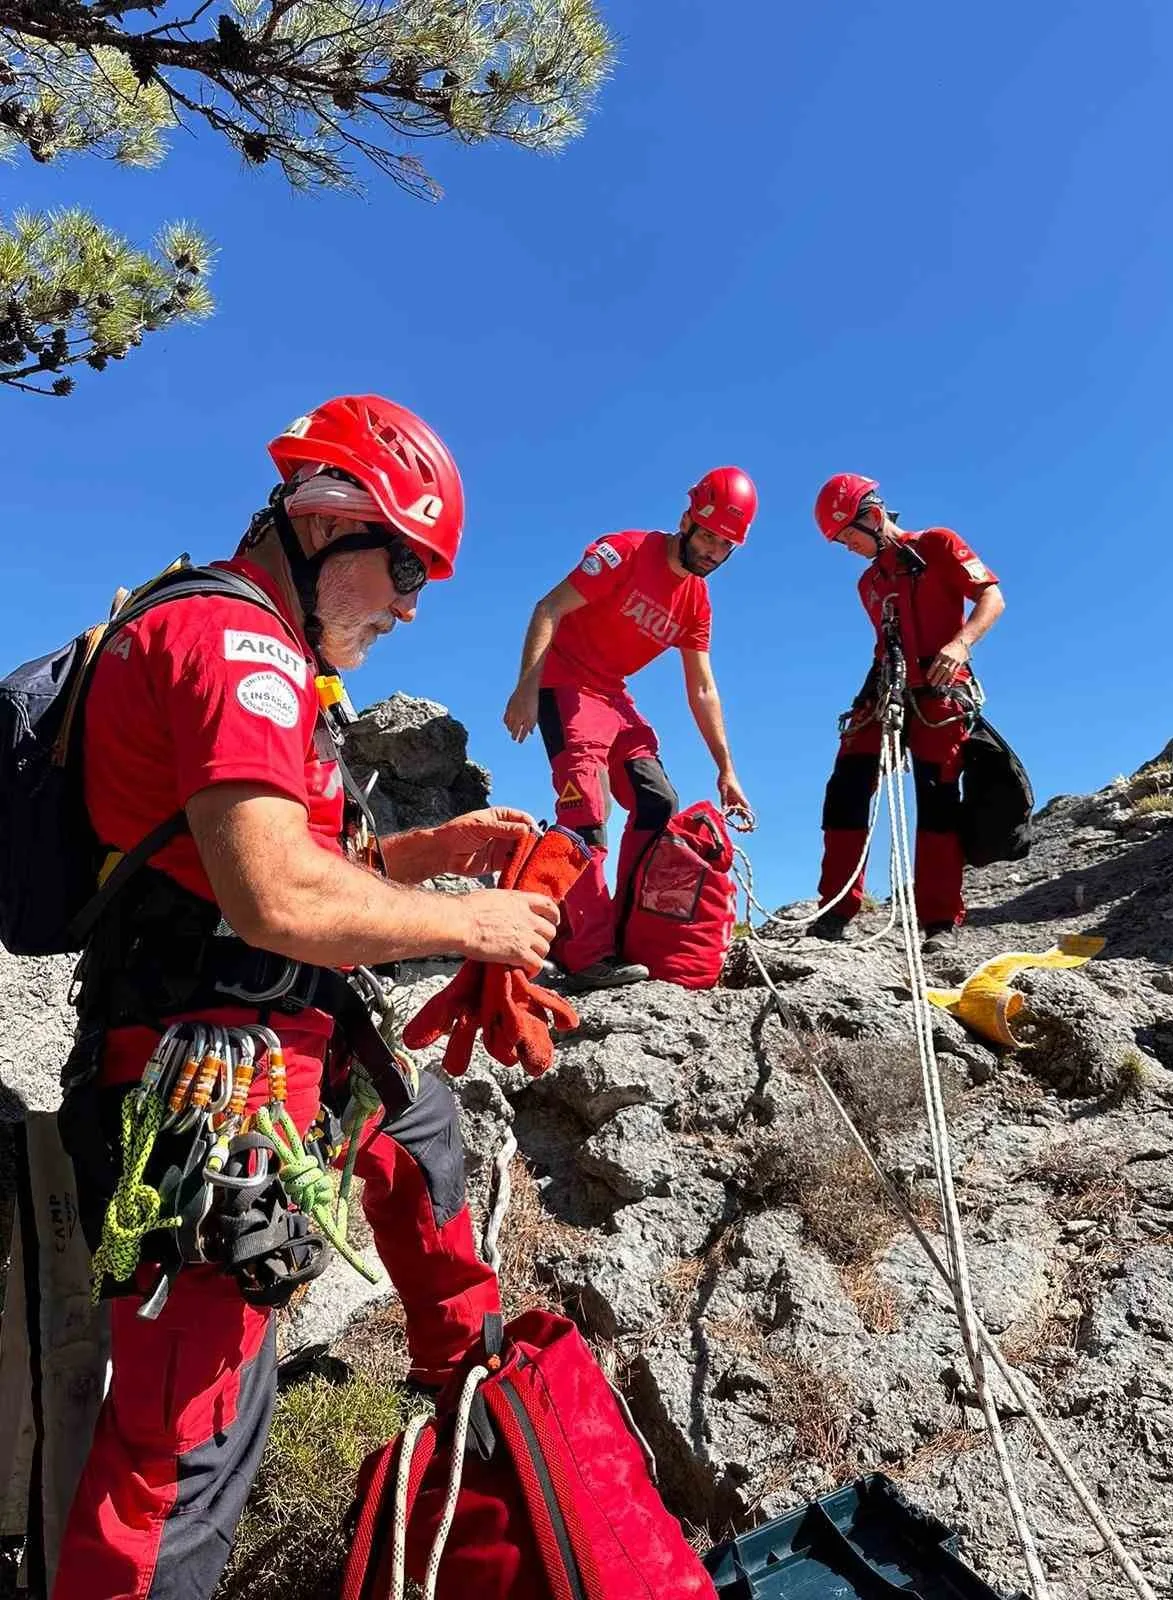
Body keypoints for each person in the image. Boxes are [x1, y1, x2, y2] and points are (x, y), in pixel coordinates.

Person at [53, 395, 561, 1600]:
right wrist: (468, 921)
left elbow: (249, 872)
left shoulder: (261, 656)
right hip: (201, 1084)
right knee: (182, 1447)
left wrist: (416, 859)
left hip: (285, 1044)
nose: (410, 604)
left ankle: (465, 1393)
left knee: (422, 1131)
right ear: (330, 526)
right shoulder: (241, 655)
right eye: (403, 567)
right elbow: (277, 897)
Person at [503, 469, 757, 989]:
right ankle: (584, 952)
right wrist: (526, 687)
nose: (712, 550)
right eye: (707, 534)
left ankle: (623, 930)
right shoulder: (624, 552)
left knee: (658, 801)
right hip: (565, 685)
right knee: (586, 814)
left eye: (725, 545)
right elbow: (548, 607)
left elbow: (702, 687)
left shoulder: (697, 602)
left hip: (613, 697)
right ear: (687, 521)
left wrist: (726, 769)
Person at [809, 473, 1005, 954]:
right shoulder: (868, 583)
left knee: (937, 795)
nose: (847, 548)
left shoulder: (938, 544)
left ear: (873, 517)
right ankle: (836, 907)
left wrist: (960, 644)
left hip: (941, 687)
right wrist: (872, 700)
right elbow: (885, 645)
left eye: (847, 537)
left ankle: (939, 920)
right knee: (846, 785)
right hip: (887, 683)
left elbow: (991, 596)